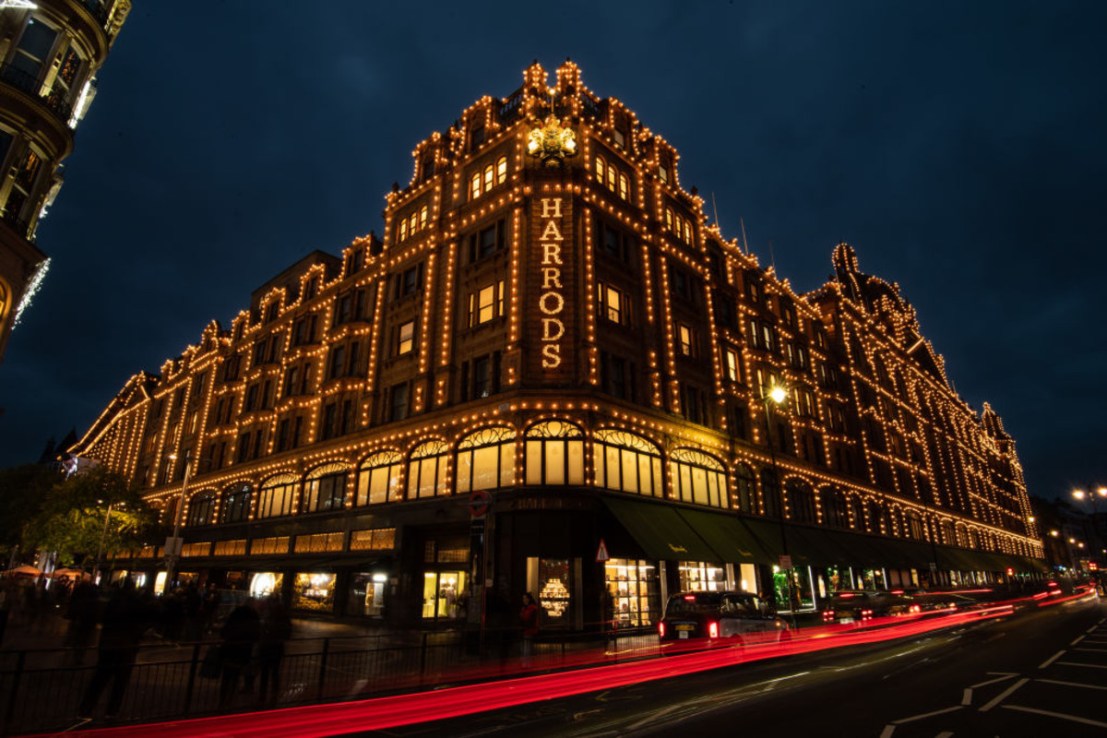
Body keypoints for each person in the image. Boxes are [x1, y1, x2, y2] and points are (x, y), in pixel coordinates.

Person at [77, 579, 156, 721]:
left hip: (108, 644)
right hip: (126, 646)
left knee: (100, 678)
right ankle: (112, 711)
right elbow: (150, 615)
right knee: (119, 682)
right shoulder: (136, 603)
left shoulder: (111, 601)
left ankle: (85, 709)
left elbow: (103, 618)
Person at [218, 599, 260, 708]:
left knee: (226, 676)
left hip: (230, 648)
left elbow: (224, 630)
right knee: (235, 675)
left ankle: (222, 700)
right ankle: (229, 698)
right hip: (243, 651)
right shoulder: (254, 616)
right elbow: (256, 634)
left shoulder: (236, 614)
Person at [256, 593, 292, 704]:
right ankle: (272, 694)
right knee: (273, 672)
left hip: (268, 646)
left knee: (266, 672)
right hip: (275, 647)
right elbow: (287, 632)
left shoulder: (269, 617)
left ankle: (265, 696)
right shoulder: (282, 618)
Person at [63, 573, 100, 665]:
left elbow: (72, 602)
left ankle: (69, 654)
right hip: (86, 620)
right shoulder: (92, 593)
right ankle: (78, 657)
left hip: (78, 618)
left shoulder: (78, 591)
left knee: (75, 637)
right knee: (83, 639)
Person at [519, 592, 539, 662]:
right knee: (525, 647)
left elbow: (530, 620)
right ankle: (526, 662)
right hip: (526, 630)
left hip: (529, 630)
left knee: (527, 648)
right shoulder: (525, 608)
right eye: (523, 598)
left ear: (529, 599)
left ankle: (527, 662)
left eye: (525, 598)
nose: (524, 600)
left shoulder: (531, 609)